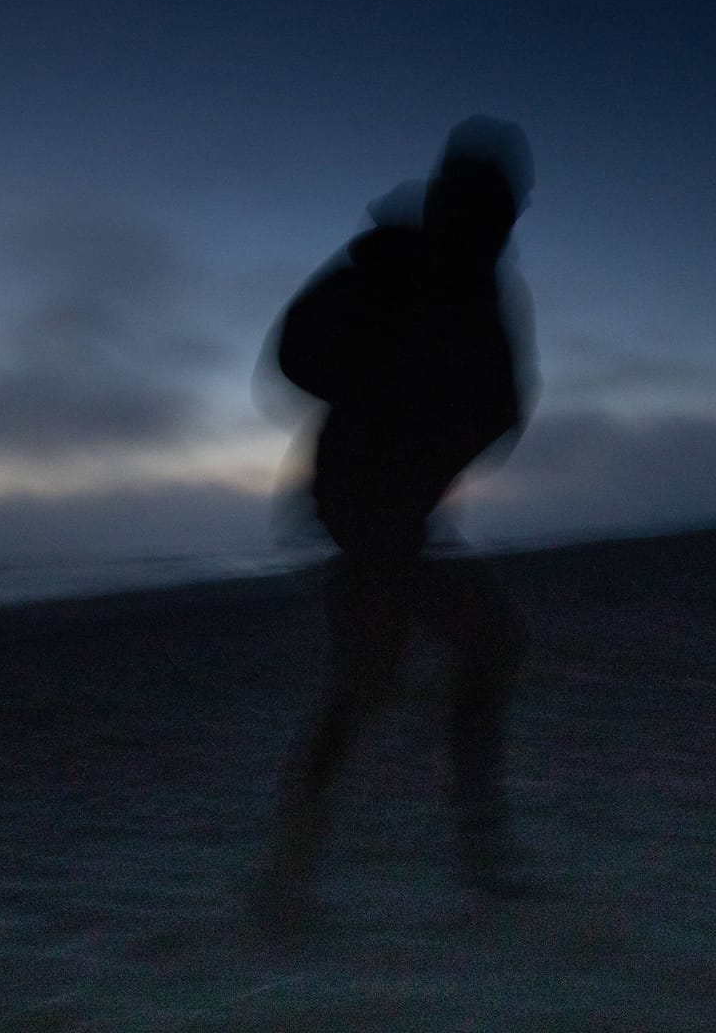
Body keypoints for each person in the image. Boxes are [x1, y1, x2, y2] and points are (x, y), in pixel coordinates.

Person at [258, 117, 538, 911]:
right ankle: (295, 871)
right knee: (388, 677)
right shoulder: (389, 263)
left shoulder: (483, 292)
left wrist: (439, 442)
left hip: (404, 516)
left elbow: (504, 404)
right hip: (358, 510)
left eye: (505, 211)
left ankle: (464, 843)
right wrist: (384, 398)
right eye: (483, 206)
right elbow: (291, 354)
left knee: (444, 662)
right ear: (455, 201)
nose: (496, 224)